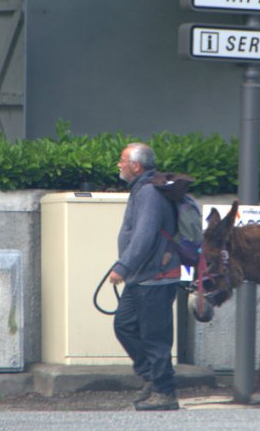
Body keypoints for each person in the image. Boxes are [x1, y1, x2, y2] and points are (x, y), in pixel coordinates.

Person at [108, 142, 181, 411]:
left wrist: (122, 267)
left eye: (122, 160)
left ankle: (165, 392)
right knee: (124, 325)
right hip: (141, 277)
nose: (119, 164)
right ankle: (152, 377)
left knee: (155, 337)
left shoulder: (148, 192)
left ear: (136, 166)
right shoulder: (142, 189)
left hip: (155, 278)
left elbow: (144, 235)